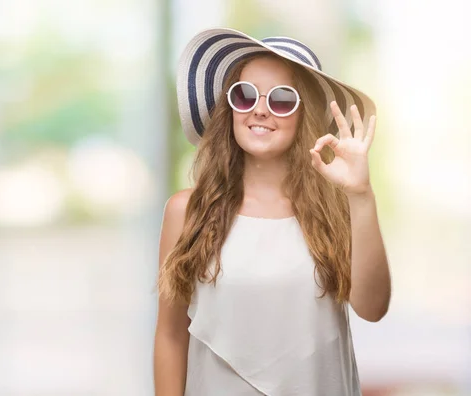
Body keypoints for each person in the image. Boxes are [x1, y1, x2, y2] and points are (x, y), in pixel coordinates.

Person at [153, 28, 391, 396]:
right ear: (231, 109)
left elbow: (373, 307)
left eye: (282, 100)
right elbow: (170, 336)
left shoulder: (338, 208)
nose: (260, 109)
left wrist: (361, 195)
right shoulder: (187, 211)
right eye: (245, 96)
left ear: (305, 116)